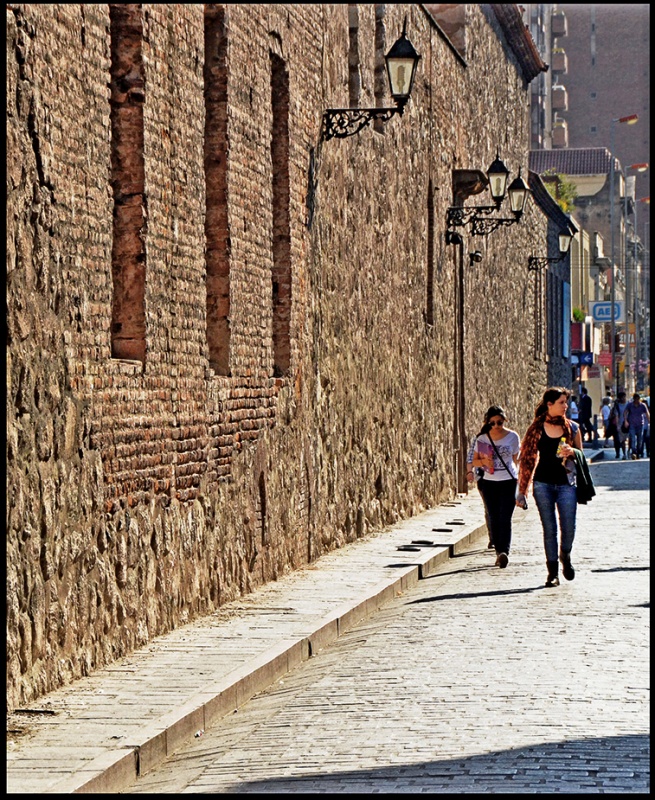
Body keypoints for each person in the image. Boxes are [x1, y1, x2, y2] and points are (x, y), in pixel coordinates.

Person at [516, 387, 583, 588]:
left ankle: (565, 554)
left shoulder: (572, 428)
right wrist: (522, 489)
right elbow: (527, 459)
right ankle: (552, 573)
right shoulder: (536, 428)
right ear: (549, 404)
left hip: (566, 484)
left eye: (566, 402)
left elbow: (581, 457)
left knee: (569, 527)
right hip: (543, 483)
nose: (565, 406)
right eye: (562, 402)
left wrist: (572, 452)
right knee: (549, 529)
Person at [471, 405, 521, 569]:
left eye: (499, 422)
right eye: (492, 423)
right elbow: (474, 462)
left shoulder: (513, 437)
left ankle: (503, 551)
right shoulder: (482, 439)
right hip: (489, 482)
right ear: (488, 422)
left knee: (505, 517)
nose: (496, 426)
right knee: (493, 516)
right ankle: (499, 550)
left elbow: (515, 460)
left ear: (504, 420)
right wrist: (484, 462)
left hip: (508, 481)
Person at [466, 433, 493, 549]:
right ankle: (493, 538)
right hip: (483, 478)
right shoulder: (480, 439)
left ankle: (500, 538)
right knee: (489, 508)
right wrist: (470, 472)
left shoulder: (506, 437)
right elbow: (471, 458)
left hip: (503, 479)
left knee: (500, 509)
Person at [624, 393, 650, 460]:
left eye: (638, 399)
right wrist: (625, 421)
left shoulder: (642, 405)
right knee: (632, 439)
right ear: (634, 399)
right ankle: (633, 452)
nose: (637, 400)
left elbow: (647, 414)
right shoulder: (630, 405)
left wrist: (649, 420)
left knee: (640, 440)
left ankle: (638, 452)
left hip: (640, 424)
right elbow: (625, 412)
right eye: (636, 399)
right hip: (632, 424)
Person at [610, 391, 629, 460]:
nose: (624, 398)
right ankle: (624, 454)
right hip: (621, 424)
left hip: (629, 424)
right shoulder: (617, 406)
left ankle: (629, 451)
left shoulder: (629, 404)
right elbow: (616, 416)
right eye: (622, 397)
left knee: (630, 439)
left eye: (624, 397)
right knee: (622, 440)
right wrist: (618, 425)